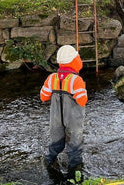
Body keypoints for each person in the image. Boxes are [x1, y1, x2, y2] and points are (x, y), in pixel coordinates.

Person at [40, 44, 88, 180]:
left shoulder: (51, 78)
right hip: (73, 120)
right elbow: (82, 100)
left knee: (55, 143)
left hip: (56, 119)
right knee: (75, 146)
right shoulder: (76, 80)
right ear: (74, 61)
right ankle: (75, 174)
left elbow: (43, 97)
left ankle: (49, 165)